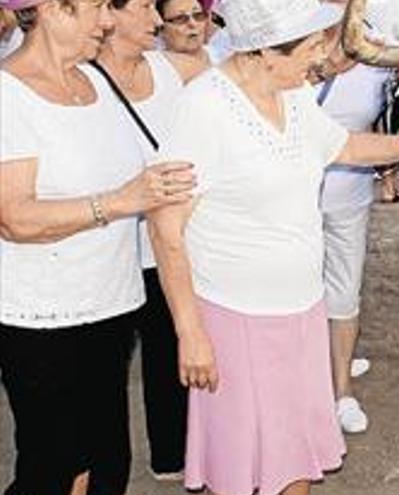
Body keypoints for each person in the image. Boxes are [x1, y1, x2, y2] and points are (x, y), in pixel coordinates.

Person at [147, 0, 399, 493]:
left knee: (294, 454)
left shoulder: (293, 95)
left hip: (302, 310)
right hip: (234, 318)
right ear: (265, 50)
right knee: (240, 464)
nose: (322, 59)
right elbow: (164, 228)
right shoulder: (201, 108)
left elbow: (347, 147)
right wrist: (190, 333)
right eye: (312, 47)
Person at [0, 0, 196, 493]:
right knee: (51, 467)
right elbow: (14, 218)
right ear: (51, 10)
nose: (107, 21)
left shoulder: (97, 81)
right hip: (42, 320)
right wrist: (118, 201)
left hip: (114, 305)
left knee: (107, 462)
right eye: (95, 8)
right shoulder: (9, 96)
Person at [95, 0, 208, 481]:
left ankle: (171, 457)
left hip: (166, 244)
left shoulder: (180, 69)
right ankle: (102, 469)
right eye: (144, 7)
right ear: (109, 14)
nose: (157, 20)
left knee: (168, 348)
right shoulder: (77, 82)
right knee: (103, 370)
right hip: (102, 247)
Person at [316, 0, 399, 434]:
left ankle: (340, 391)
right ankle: (307, 376)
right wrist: (317, 70)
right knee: (295, 288)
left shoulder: (379, 52)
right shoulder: (286, 41)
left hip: (349, 193)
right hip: (284, 199)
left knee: (343, 292)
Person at [156, 0, 226, 65]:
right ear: (161, 28)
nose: (193, 24)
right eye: (180, 18)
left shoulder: (223, 57)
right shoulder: (154, 69)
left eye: (198, 15)